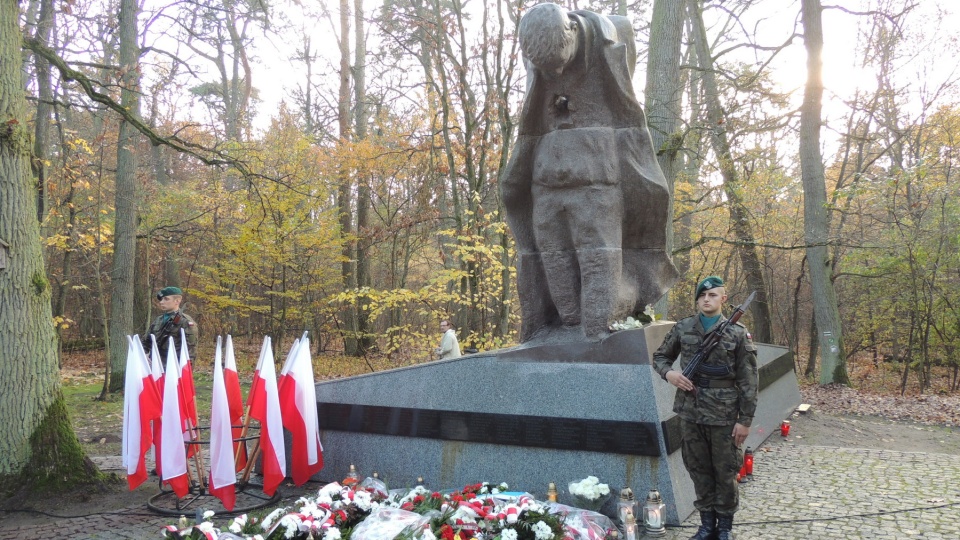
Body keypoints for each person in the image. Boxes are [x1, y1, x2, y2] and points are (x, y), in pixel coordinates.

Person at [502, 3, 677, 342]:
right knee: (558, 283)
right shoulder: (535, 53)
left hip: (598, 183)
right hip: (545, 185)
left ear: (571, 30)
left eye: (557, 64)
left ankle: (601, 332)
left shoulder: (616, 34)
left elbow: (625, 106)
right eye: (544, 68)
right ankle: (565, 329)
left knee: (599, 278)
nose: (552, 74)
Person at [652, 276, 758, 540]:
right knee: (698, 469)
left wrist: (745, 420)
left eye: (713, 295)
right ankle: (706, 525)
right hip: (691, 412)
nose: (706, 300)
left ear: (723, 299)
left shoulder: (737, 333)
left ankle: (724, 528)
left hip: (724, 416)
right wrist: (670, 375)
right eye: (702, 296)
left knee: (725, 472)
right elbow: (660, 356)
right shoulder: (683, 327)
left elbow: (749, 380)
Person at [141, 286, 198, 360]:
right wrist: (144, 355)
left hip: (173, 367)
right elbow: (146, 341)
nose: (161, 302)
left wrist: (185, 369)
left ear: (177, 301)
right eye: (161, 299)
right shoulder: (158, 320)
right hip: (155, 365)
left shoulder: (185, 321)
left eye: (166, 299)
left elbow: (190, 351)